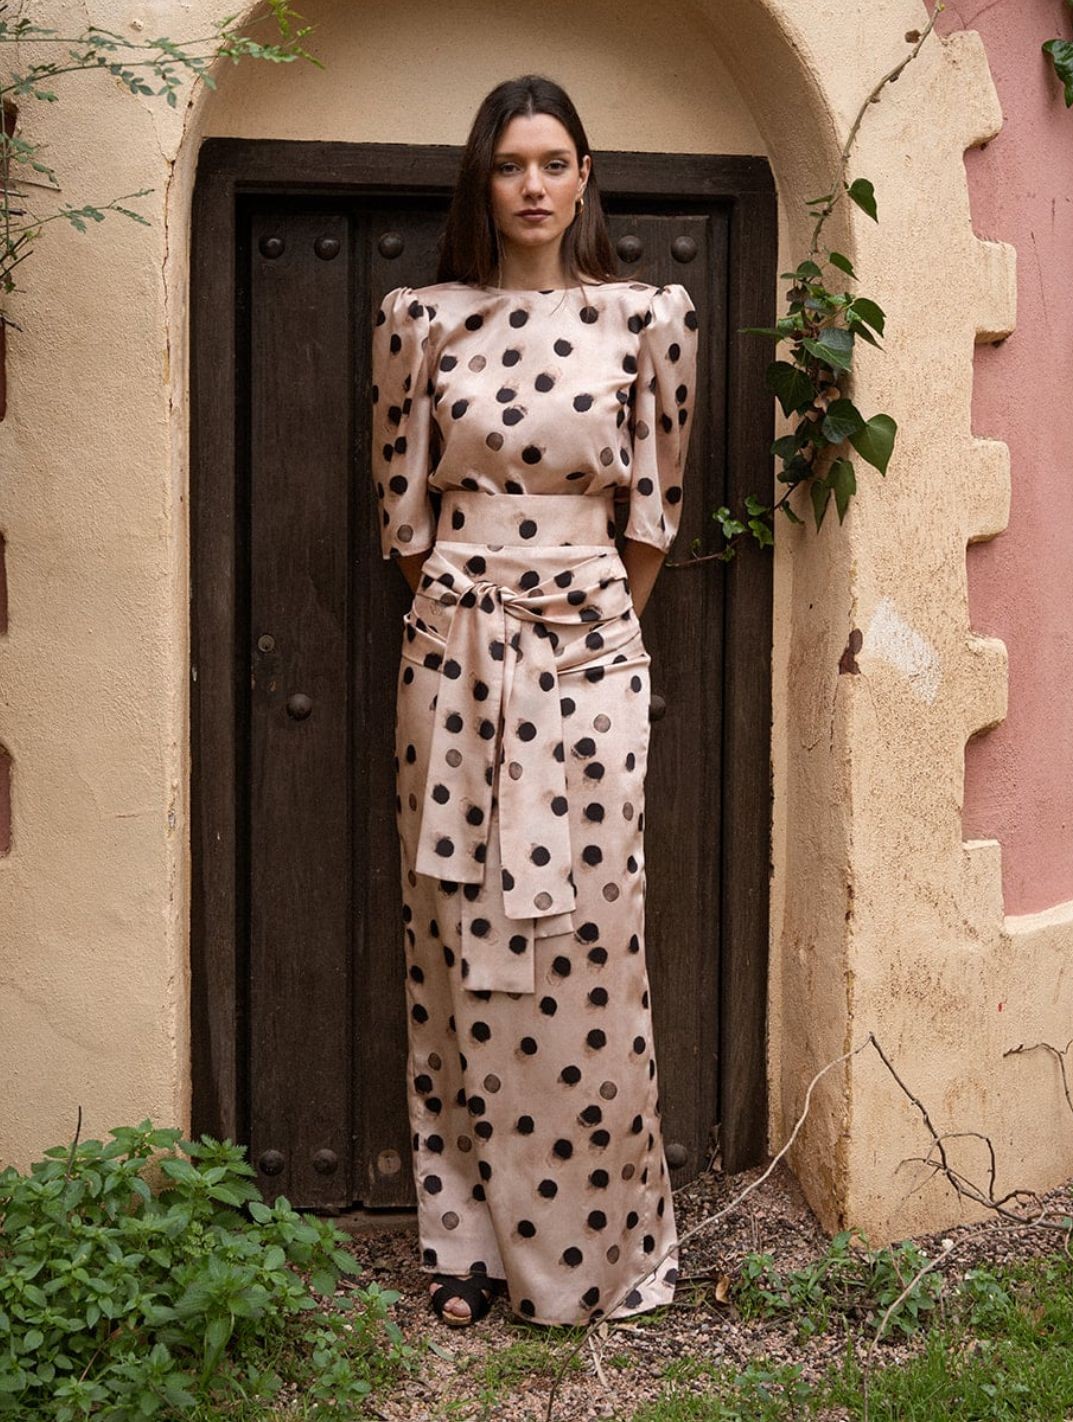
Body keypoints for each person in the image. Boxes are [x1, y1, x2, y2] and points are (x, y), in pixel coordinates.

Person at [370, 72, 699, 1329]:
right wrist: (475, 619)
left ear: (583, 178)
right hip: (453, 649)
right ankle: (463, 1245)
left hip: (592, 654)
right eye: (510, 164)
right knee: (452, 937)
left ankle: (600, 1252)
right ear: (482, 179)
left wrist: (587, 626)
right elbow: (403, 517)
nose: (532, 186)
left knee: (590, 946)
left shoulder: (645, 319)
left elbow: (652, 516)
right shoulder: (418, 321)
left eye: (553, 162)